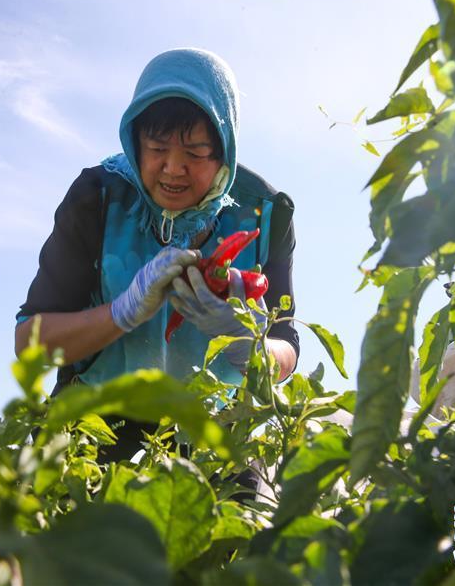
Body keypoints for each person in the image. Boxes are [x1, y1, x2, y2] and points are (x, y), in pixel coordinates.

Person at [15, 48, 299, 462]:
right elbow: (29, 343)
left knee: (244, 522)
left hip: (215, 430)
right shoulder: (98, 199)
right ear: (135, 141)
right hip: (95, 426)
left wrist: (246, 342)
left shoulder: (265, 213)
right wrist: (120, 312)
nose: (173, 168)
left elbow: (287, 345)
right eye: (157, 147)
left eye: (196, 152)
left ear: (225, 152)